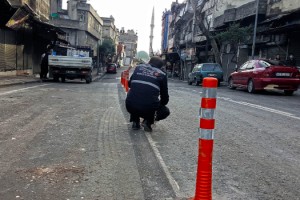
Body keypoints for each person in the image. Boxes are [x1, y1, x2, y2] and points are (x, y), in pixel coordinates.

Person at [125, 56, 170, 132]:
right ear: (160, 67)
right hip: (148, 108)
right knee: (165, 111)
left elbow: (130, 84)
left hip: (130, 105)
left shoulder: (138, 68)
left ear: (149, 62)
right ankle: (148, 121)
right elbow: (165, 99)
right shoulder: (162, 75)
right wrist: (157, 103)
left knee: (135, 97)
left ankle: (135, 122)